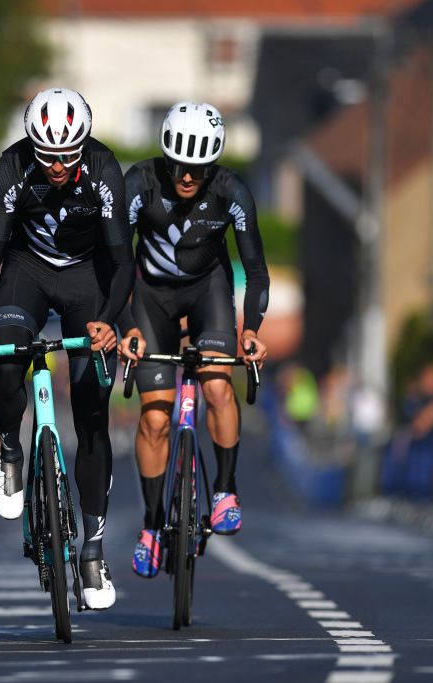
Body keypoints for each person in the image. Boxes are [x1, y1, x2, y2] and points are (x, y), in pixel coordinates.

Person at [0, 88, 134, 610]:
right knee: (8, 356)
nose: (56, 166)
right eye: (46, 155)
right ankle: (11, 450)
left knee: (92, 409)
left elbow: (123, 261)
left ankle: (93, 550)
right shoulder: (11, 169)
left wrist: (108, 323)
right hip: (26, 273)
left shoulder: (104, 170)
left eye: (66, 155)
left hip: (87, 279)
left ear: (83, 146)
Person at [115, 102, 269, 579]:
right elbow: (114, 261)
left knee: (219, 387)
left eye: (198, 168)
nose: (187, 176)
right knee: (155, 419)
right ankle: (152, 524)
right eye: (180, 166)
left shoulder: (231, 192)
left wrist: (251, 331)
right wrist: (126, 326)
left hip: (209, 293)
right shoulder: (138, 184)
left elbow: (256, 270)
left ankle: (224, 489)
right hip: (150, 298)